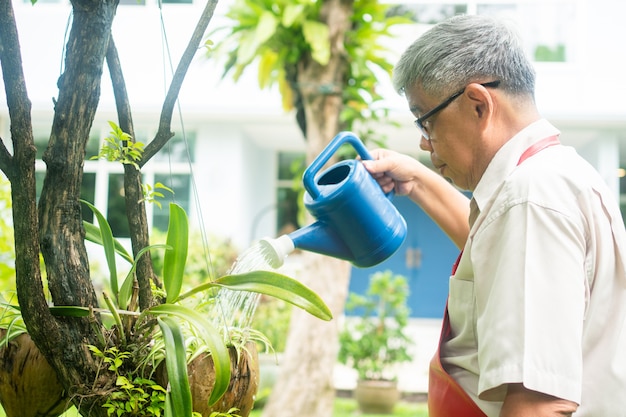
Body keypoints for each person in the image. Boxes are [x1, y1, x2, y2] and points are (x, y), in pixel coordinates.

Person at [361, 14, 626, 417]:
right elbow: (490, 252)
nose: (423, 139)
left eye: (426, 120)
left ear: (478, 105)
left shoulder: (530, 198)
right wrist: (415, 181)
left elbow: (538, 404)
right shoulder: (549, 179)